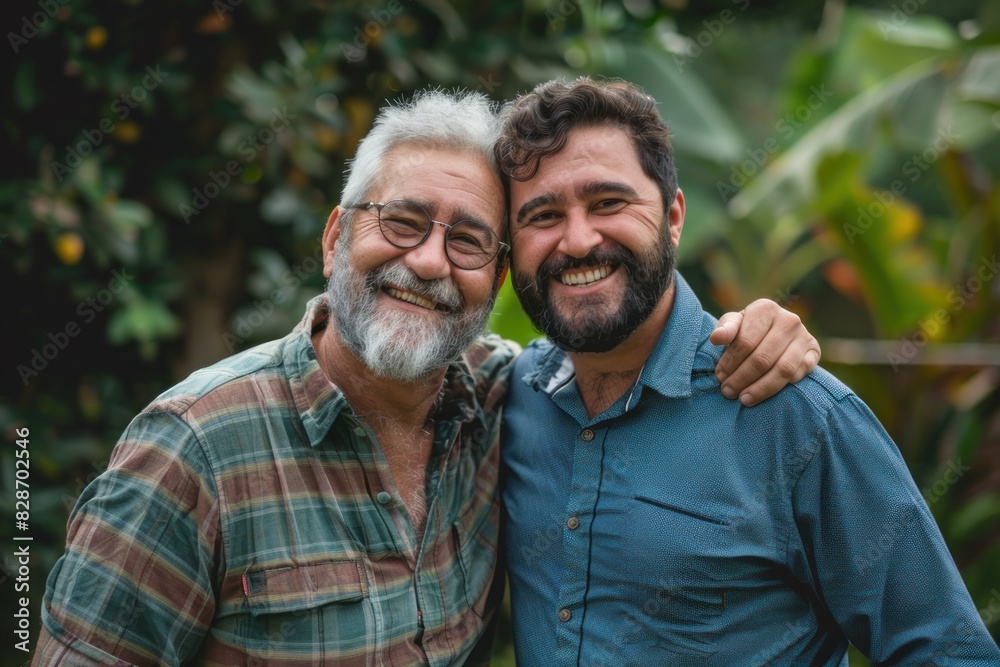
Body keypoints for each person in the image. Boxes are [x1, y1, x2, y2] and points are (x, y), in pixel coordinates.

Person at [33, 89, 818, 666]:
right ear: (338, 233)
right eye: (402, 223)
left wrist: (748, 334)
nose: (431, 262)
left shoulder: (510, 402)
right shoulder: (192, 449)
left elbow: (620, 355)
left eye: (471, 241)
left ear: (499, 277)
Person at [498, 77, 1000, 666]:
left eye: (609, 203)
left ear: (674, 215)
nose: (578, 240)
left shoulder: (796, 416)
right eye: (543, 215)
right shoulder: (506, 396)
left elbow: (946, 652)